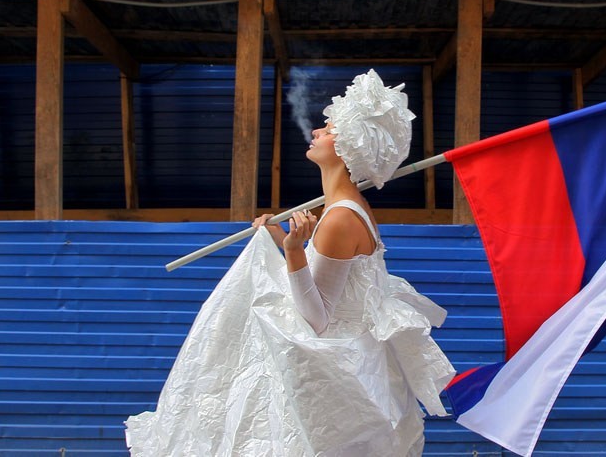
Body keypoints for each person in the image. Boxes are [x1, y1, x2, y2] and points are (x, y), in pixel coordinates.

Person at [125, 69, 455, 456]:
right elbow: (330, 279)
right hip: (354, 363)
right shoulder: (349, 210)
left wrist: (296, 251)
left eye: (329, 129)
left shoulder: (339, 218)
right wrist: (282, 239)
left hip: (333, 372)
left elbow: (317, 317)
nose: (317, 132)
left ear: (351, 146)